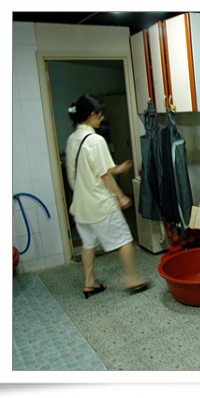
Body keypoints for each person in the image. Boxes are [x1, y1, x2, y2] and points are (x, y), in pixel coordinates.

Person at [65, 94, 149, 298]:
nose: (102, 118)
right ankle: (132, 279)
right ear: (91, 114)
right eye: (100, 114)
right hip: (100, 205)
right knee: (124, 240)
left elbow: (87, 170)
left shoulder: (72, 139)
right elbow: (103, 175)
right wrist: (121, 196)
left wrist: (117, 169)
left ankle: (89, 283)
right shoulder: (95, 140)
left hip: (81, 206)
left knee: (88, 244)